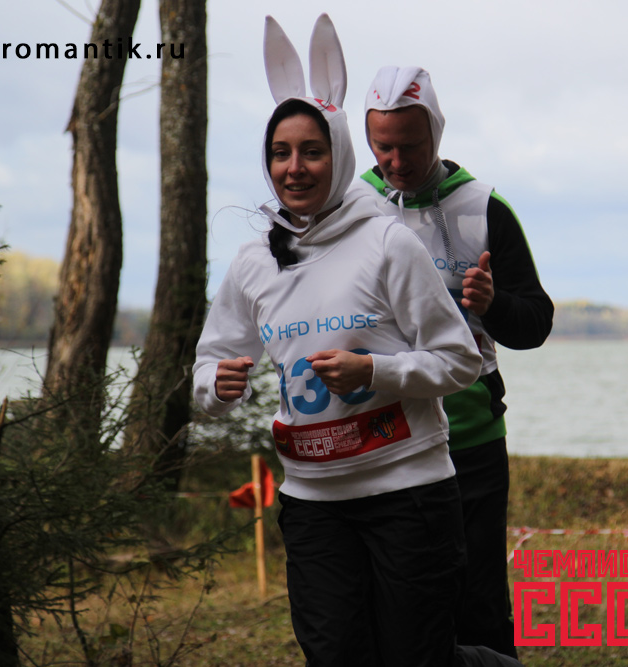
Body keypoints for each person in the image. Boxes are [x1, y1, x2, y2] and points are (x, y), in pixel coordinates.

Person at [193, 16, 521, 667]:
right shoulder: (255, 261)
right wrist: (216, 385)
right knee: (337, 655)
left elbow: (460, 359)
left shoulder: (386, 242)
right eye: (280, 153)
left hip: (408, 492)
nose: (294, 168)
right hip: (313, 501)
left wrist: (375, 371)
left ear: (340, 154)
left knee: (416, 658)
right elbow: (209, 364)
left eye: (311, 151)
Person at [352, 66, 554, 659]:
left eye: (410, 146)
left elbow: (536, 323)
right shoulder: (351, 206)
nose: (396, 161)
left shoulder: (484, 207)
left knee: (479, 601)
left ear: (436, 133)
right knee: (392, 602)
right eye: (382, 146)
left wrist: (493, 306)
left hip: (470, 437)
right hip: (380, 437)